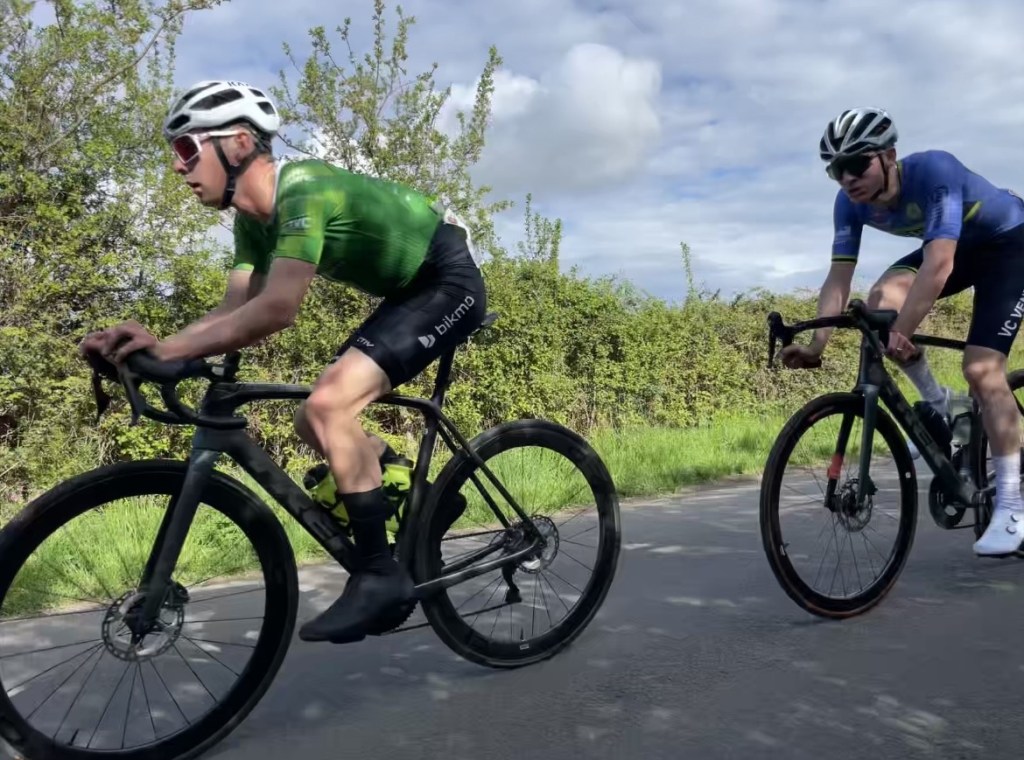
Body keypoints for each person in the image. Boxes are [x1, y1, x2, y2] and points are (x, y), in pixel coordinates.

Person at [78, 79, 486, 641]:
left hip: (448, 280)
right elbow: (233, 309)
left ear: (240, 144)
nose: (178, 166)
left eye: (187, 148)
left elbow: (277, 308)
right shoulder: (252, 222)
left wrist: (171, 351)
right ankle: (424, 501)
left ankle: (379, 577)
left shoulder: (305, 189)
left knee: (328, 407)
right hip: (408, 292)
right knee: (310, 420)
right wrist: (152, 346)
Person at [779, 106, 1024, 557]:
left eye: (857, 164)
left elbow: (939, 265)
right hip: (956, 249)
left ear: (889, 156)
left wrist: (904, 331)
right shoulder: (848, 204)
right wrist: (817, 345)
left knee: (981, 370)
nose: (847, 178)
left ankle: (1011, 504)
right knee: (880, 305)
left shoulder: (934, 172)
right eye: (836, 169)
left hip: (1009, 244)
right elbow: (838, 277)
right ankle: (944, 408)